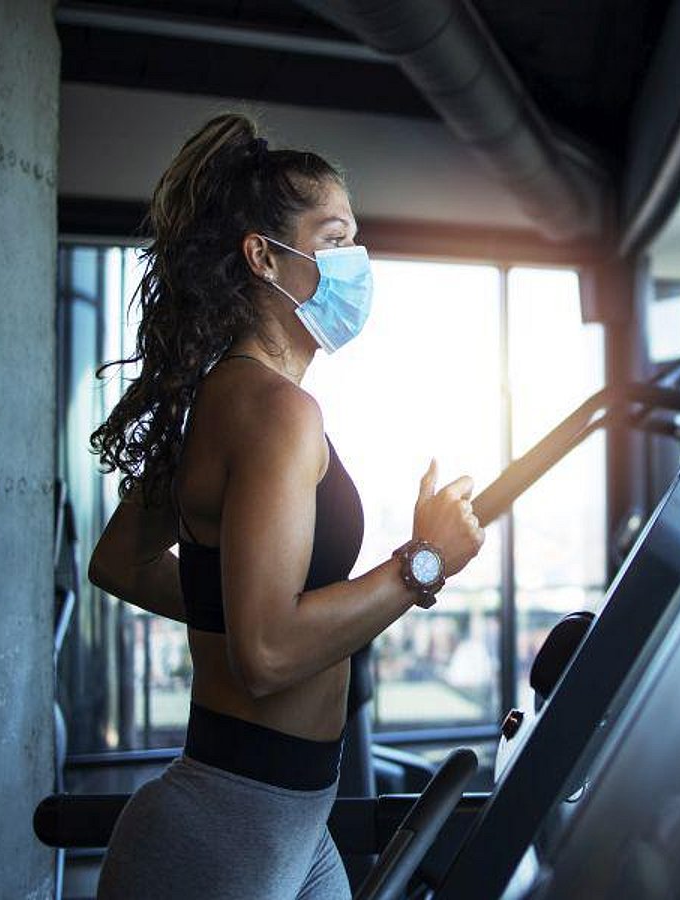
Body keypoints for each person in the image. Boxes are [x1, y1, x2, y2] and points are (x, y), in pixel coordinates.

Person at [86, 113, 484, 899]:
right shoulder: (275, 412)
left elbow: (120, 562)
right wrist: (421, 563)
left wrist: (247, 605)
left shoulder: (217, 398)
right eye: (333, 240)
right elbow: (265, 657)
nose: (355, 264)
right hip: (225, 834)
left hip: (294, 825)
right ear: (264, 257)